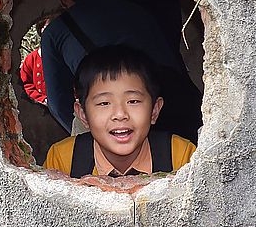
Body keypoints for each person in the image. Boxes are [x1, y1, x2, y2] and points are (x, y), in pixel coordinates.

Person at [40, 0, 202, 142]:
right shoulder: (137, 9)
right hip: (176, 104)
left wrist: (90, 127)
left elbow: (58, 102)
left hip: (118, 121)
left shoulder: (56, 31)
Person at [44, 45, 196, 177]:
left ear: (155, 110)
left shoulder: (180, 156)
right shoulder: (64, 159)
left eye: (133, 101)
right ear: (83, 115)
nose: (120, 114)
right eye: (104, 103)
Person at [19, 18, 50, 105]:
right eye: (47, 27)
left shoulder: (65, 56)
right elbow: (26, 83)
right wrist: (42, 99)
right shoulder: (31, 59)